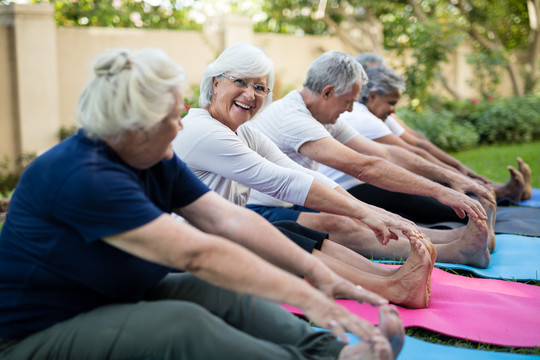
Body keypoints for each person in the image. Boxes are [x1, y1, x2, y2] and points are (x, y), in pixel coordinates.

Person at [0, 48, 405, 360]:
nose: (181, 125)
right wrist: (310, 297)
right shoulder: (85, 176)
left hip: (111, 294)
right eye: (173, 116)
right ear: (135, 126)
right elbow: (198, 252)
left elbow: (227, 220)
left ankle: (337, 353)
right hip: (34, 334)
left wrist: (318, 273)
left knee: (213, 289)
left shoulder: (153, 156)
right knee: (181, 325)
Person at [173, 43, 435, 309]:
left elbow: (293, 169)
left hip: (215, 242)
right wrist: (363, 213)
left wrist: (366, 209)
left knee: (288, 229)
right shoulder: (204, 131)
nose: (251, 94)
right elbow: (283, 182)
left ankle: (392, 276)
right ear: (216, 83)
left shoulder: (242, 131)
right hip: (186, 257)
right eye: (240, 81)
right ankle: (392, 288)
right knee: (277, 239)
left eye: (260, 87)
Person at [248, 50, 492, 268]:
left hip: (289, 200)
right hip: (256, 210)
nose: (351, 110)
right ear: (328, 92)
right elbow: (363, 168)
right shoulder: (293, 119)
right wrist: (440, 191)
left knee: (358, 214)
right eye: (349, 102)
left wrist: (449, 176)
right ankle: (455, 252)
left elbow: (385, 153)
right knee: (344, 222)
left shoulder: (319, 114)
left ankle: (460, 239)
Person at [351, 54, 532, 203]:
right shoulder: (364, 117)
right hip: (364, 186)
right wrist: (457, 176)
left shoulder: (379, 113)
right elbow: (412, 154)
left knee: (437, 174)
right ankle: (497, 193)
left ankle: (500, 190)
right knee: (431, 177)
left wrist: (462, 171)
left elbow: (420, 144)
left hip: (379, 177)